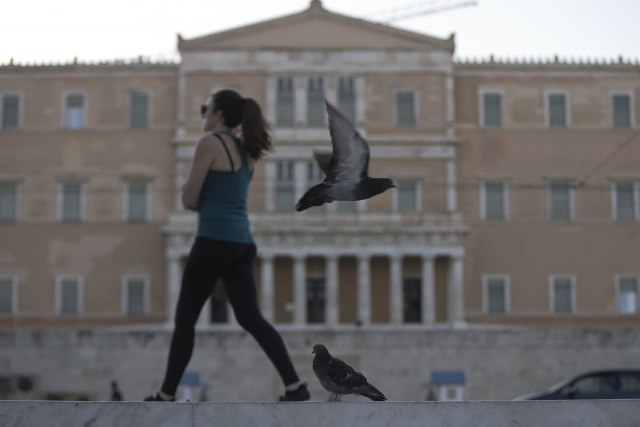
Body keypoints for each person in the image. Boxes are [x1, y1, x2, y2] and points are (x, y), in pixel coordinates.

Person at [145, 89, 309, 402]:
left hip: (213, 239)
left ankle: (166, 395)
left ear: (218, 114)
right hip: (243, 242)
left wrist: (192, 194)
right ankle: (295, 385)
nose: (203, 115)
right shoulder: (249, 151)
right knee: (251, 318)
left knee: (185, 319)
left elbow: (189, 199)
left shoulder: (209, 144)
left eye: (205, 109)